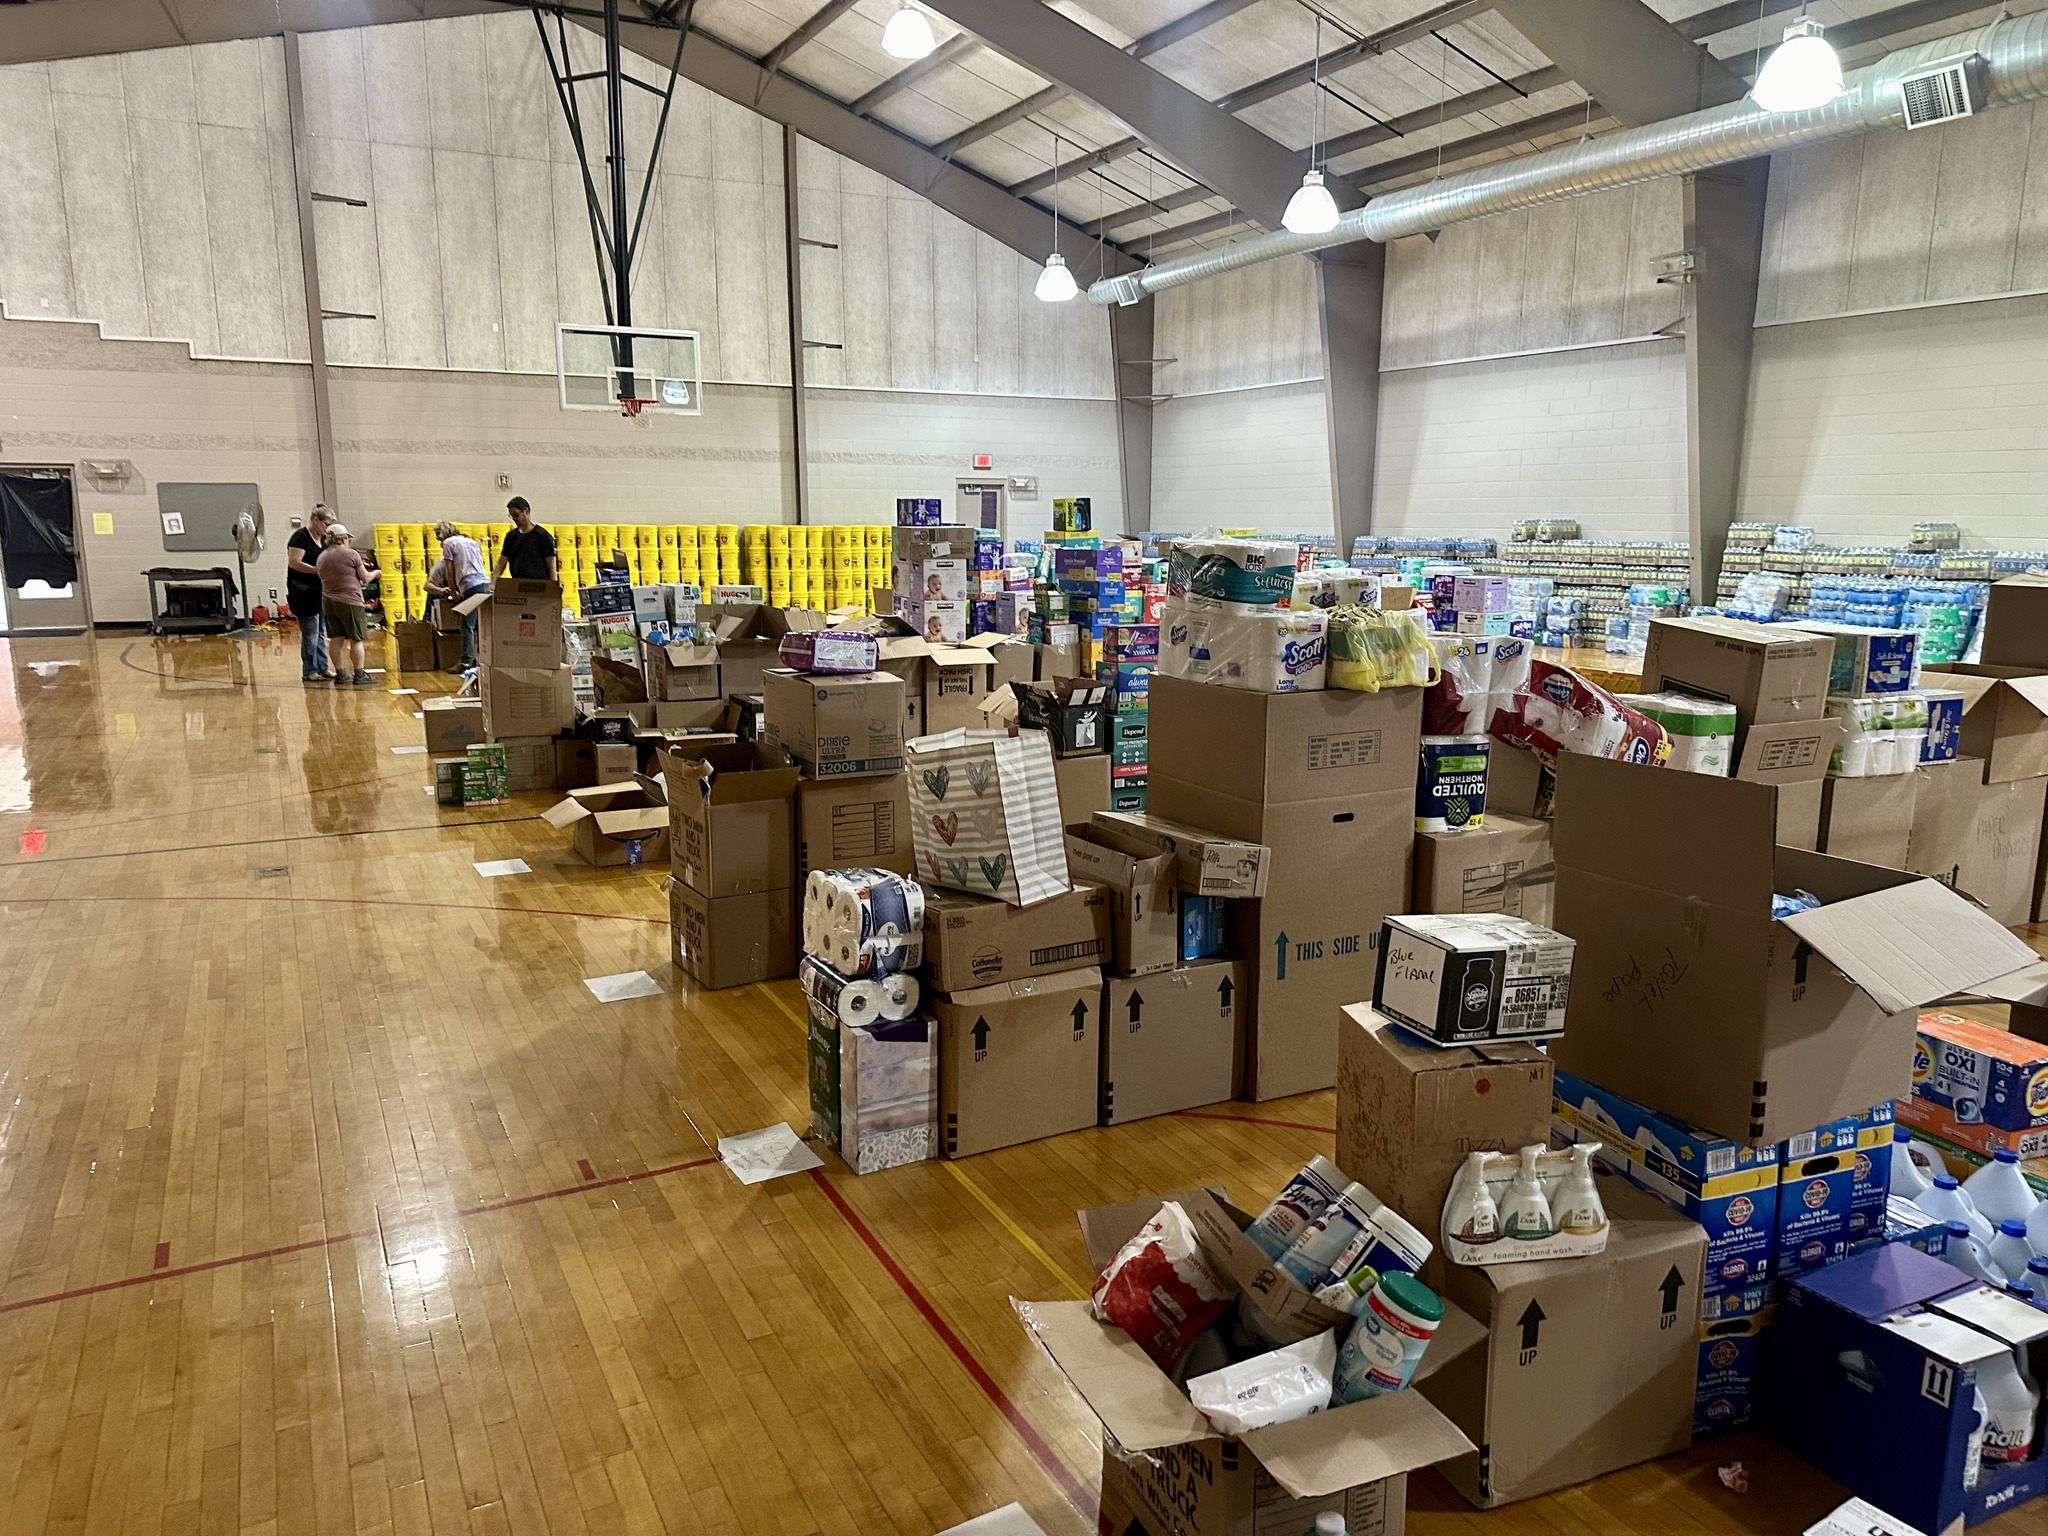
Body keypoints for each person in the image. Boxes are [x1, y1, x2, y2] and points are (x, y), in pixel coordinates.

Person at [424, 520, 493, 673]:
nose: (438, 541)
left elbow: (449, 571)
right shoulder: (472, 542)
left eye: (438, 536)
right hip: (485, 583)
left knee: (466, 625)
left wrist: (454, 591)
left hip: (469, 585)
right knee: (481, 624)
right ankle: (483, 659)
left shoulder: (449, 544)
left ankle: (466, 661)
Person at [315, 523, 378, 685]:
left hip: (328, 601)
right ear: (342, 538)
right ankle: (359, 674)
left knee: (336, 639)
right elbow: (365, 577)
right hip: (350, 601)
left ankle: (341, 674)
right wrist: (377, 573)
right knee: (356, 639)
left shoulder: (321, 557)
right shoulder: (351, 554)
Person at [285, 504, 334, 682]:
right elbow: (295, 562)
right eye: (326, 524)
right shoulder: (300, 538)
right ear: (315, 519)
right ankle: (309, 670)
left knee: (321, 631)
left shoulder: (323, 539)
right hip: (302, 591)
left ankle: (323, 667)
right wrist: (318, 570)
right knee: (310, 632)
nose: (327, 528)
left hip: (319, 591)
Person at [493, 496, 558, 582]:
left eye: (516, 515)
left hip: (539, 586)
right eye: (511, 516)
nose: (514, 519)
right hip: (518, 585)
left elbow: (551, 564)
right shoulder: (511, 537)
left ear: (526, 511)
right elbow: (501, 563)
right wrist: (493, 581)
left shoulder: (542, 536)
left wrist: (552, 587)